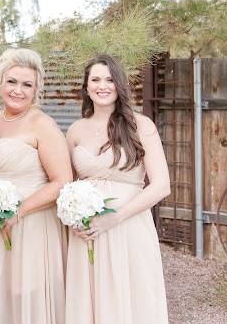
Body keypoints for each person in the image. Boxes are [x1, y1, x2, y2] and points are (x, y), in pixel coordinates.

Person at [65, 54, 170, 324]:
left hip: (128, 227)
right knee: (89, 299)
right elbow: (68, 185)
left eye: (109, 79)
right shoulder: (76, 130)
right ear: (87, 87)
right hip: (87, 232)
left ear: (119, 85)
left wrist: (114, 217)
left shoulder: (140, 125)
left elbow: (161, 186)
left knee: (134, 297)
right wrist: (73, 218)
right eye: (95, 79)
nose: (103, 85)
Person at [0, 48, 70, 324]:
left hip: (31, 226)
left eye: (26, 84)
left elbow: (62, 181)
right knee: (1, 295)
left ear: (35, 90)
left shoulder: (43, 124)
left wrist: (19, 211)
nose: (18, 90)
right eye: (12, 82)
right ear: (0, 83)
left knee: (28, 298)